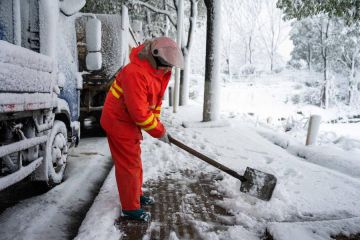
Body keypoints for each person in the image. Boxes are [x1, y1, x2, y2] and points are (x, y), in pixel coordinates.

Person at [100, 37, 184, 222]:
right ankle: (130, 208)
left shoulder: (158, 72)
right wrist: (158, 131)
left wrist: (157, 124)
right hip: (118, 121)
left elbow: (155, 103)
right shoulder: (135, 73)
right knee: (128, 165)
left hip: (128, 120)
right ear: (156, 57)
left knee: (134, 162)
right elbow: (139, 113)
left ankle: (135, 195)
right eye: (166, 64)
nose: (169, 68)